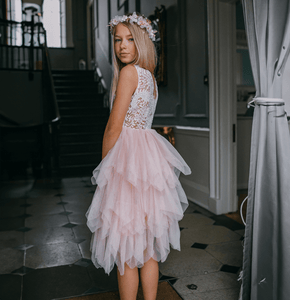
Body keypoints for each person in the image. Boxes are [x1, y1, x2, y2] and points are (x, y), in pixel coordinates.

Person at [86, 12, 191, 300]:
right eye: (118, 39)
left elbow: (113, 127)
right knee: (148, 248)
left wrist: (105, 170)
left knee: (126, 249)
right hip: (147, 160)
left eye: (130, 39)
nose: (122, 46)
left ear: (143, 41)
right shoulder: (150, 78)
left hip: (128, 161)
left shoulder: (131, 73)